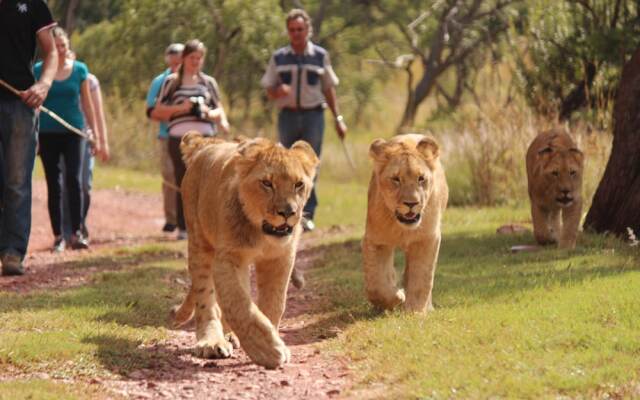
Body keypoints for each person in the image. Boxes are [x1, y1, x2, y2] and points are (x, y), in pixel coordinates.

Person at [261, 8, 348, 232]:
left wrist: (338, 118)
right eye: (292, 30)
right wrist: (277, 91)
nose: (296, 33)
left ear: (307, 29)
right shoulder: (279, 57)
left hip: (313, 115)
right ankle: (284, 209)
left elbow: (328, 88)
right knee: (285, 167)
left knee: (309, 165)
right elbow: (269, 88)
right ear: (288, 31)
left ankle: (307, 213)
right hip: (288, 115)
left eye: (300, 29)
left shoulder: (319, 55)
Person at [0, 0, 58, 275]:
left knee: (16, 181)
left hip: (20, 104)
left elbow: (52, 51)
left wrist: (44, 84)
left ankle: (12, 252)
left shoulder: (33, 4)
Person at [152, 39, 230, 240]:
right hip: (180, 138)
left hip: (206, 138)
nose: (195, 62)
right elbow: (158, 110)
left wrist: (206, 112)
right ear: (184, 58)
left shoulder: (208, 83)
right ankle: (184, 227)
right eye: (191, 58)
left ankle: (208, 227)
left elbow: (220, 111)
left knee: (208, 182)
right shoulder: (171, 82)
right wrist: (181, 108)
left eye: (199, 58)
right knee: (183, 181)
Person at [35, 27, 98, 252]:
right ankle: (58, 235)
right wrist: (35, 136)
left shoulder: (80, 70)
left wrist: (94, 134)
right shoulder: (39, 70)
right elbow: (35, 106)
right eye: (56, 46)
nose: (60, 50)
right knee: (55, 184)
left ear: (68, 45)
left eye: (63, 45)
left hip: (74, 132)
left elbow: (88, 104)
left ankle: (77, 231)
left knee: (74, 180)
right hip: (48, 133)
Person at [61, 69, 110, 242]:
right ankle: (68, 229)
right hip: (60, 136)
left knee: (84, 184)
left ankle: (80, 222)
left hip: (85, 137)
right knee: (66, 183)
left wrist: (101, 140)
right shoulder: (51, 75)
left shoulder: (89, 80)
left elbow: (97, 113)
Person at [146, 43, 184, 233]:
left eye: (180, 61)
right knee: (169, 175)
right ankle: (171, 218)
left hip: (190, 138)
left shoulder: (193, 80)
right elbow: (151, 111)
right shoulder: (160, 81)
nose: (177, 65)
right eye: (174, 61)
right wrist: (175, 113)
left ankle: (187, 218)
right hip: (167, 136)